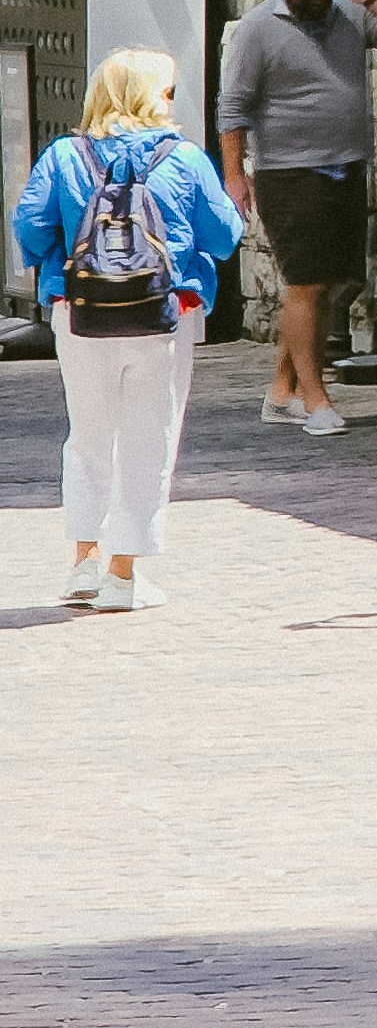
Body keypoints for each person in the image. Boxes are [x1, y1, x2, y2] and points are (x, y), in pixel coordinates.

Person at [15, 49, 243, 610]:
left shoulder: (65, 155)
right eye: (166, 92)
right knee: (148, 438)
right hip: (162, 316)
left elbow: (29, 225)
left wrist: (61, 266)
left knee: (88, 436)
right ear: (151, 97)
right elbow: (223, 236)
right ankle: (123, 575)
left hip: (81, 313)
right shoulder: (184, 159)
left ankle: (83, 564)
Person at [214, 0, 377, 438]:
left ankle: (281, 391)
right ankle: (315, 400)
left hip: (346, 165)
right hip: (288, 172)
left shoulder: (348, 13)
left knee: (330, 284)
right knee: (305, 283)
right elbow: (232, 108)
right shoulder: (257, 30)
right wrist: (235, 176)